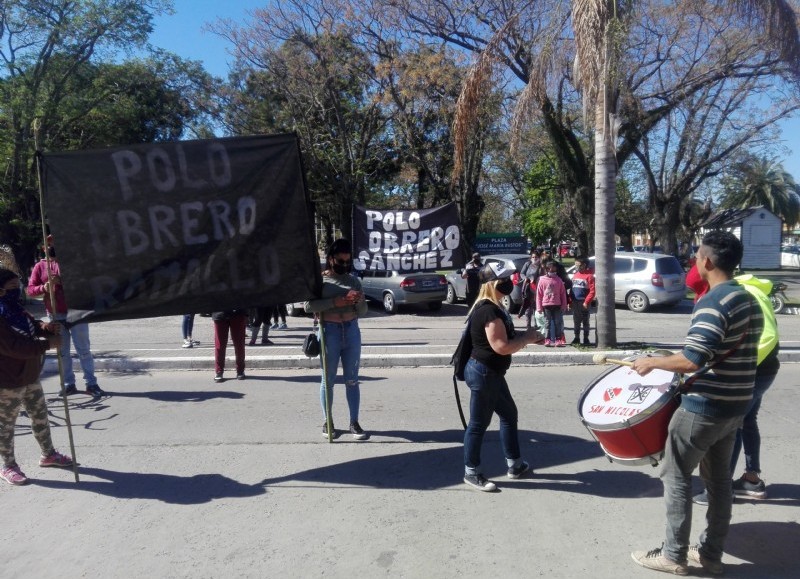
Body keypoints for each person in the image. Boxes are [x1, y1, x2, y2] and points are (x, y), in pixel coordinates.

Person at [630, 230, 763, 576]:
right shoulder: (748, 298)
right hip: (736, 407)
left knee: (675, 476)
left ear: (706, 261)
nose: (694, 263)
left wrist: (651, 362)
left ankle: (673, 555)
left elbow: (693, 358)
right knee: (719, 483)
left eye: (696, 257)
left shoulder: (713, 301)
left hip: (703, 408)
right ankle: (710, 554)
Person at [693, 273, 780, 505]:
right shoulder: (745, 290)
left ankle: (720, 490)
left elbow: (768, 336)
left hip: (755, 372)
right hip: (758, 371)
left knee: (731, 427)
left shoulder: (746, 293)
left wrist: (742, 363)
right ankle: (751, 481)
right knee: (746, 422)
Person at [462, 262, 544, 492]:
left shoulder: (495, 306)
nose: (512, 282)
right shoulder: (488, 310)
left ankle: (515, 464)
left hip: (492, 372)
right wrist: (525, 340)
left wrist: (528, 335)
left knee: (509, 414)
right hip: (484, 372)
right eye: (506, 279)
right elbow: (500, 346)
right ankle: (471, 471)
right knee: (478, 424)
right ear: (495, 284)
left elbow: (505, 336)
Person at [0, 268, 73, 486]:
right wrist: (47, 344)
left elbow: (33, 326)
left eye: (18, 286)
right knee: (6, 426)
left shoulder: (18, 311)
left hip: (30, 376)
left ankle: (48, 454)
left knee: (40, 416)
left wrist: (47, 327)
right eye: (13, 288)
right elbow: (15, 347)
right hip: (8, 381)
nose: (18, 291)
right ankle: (8, 465)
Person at [304, 239, 368, 440]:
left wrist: (358, 301)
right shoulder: (320, 281)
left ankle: (354, 422)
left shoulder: (353, 281)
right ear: (331, 259)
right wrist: (335, 302)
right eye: (340, 261)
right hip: (328, 330)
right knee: (328, 380)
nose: (344, 265)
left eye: (348, 261)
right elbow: (308, 306)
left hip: (351, 330)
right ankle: (328, 421)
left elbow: (364, 311)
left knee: (352, 380)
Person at [27, 235, 105, 397]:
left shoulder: (74, 263)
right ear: (44, 247)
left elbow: (86, 283)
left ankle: (91, 383)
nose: (52, 245)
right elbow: (30, 290)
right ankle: (69, 384)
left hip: (76, 311)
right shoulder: (40, 267)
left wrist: (62, 280)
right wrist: (44, 287)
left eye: (55, 242)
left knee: (84, 350)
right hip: (56, 313)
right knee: (62, 352)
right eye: (49, 243)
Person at [536, 260, 568, 347]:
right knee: (547, 323)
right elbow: (539, 295)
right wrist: (539, 307)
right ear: (546, 269)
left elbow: (563, 294)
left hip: (557, 305)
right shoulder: (542, 280)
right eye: (550, 269)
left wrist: (564, 305)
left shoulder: (559, 280)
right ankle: (547, 339)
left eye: (554, 269)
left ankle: (558, 339)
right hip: (546, 305)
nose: (552, 271)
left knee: (558, 322)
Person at [211, 309, 248, 382]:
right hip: (219, 313)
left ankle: (240, 370)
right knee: (220, 345)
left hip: (238, 312)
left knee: (239, 344)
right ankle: (219, 371)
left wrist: (246, 313)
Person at [570, 257, 596, 346]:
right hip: (575, 302)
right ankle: (576, 337)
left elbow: (592, 291)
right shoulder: (576, 275)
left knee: (585, 321)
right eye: (575, 265)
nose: (576, 267)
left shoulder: (589, 276)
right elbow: (572, 289)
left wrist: (586, 301)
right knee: (576, 321)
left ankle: (586, 338)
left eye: (578, 265)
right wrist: (570, 301)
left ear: (584, 265)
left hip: (584, 302)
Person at [517, 249, 541, 329]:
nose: (534, 258)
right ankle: (528, 325)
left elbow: (542, 275)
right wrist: (526, 278)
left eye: (536, 257)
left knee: (537, 308)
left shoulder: (541, 266)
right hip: (528, 288)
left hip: (537, 288)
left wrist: (537, 279)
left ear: (539, 257)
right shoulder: (528, 264)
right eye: (533, 257)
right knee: (528, 307)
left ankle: (537, 324)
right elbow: (522, 273)